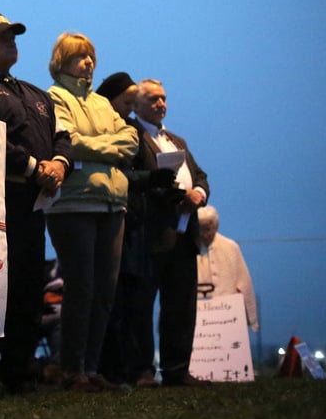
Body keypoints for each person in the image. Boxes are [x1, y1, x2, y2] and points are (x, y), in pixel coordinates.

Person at [0, 12, 72, 395]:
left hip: (32, 207)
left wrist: (60, 164)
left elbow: (63, 136)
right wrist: (36, 167)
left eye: (13, 37)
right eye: (1, 36)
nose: (11, 42)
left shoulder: (36, 94)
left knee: (26, 293)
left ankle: (17, 376)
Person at [43, 33, 138, 392]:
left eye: (91, 56)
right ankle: (71, 369)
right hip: (73, 203)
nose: (88, 63)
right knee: (81, 288)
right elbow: (70, 142)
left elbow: (131, 140)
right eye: (80, 56)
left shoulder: (101, 103)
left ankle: (91, 367)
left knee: (104, 291)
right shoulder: (55, 97)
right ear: (61, 62)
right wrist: (111, 150)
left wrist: (100, 150)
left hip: (112, 203)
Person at [94, 71, 176, 388]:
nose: (129, 109)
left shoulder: (129, 130)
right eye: (127, 102)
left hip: (136, 222)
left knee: (134, 301)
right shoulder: (115, 130)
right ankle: (110, 368)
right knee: (113, 298)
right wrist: (150, 181)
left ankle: (130, 368)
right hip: (116, 218)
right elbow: (120, 173)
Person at [130, 78, 211, 387]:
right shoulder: (133, 137)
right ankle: (143, 371)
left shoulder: (177, 140)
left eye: (163, 98)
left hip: (183, 235)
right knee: (142, 306)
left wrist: (200, 194)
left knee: (180, 306)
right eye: (152, 99)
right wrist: (180, 199)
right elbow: (141, 183)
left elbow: (200, 175)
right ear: (137, 106)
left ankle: (177, 370)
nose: (161, 104)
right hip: (151, 235)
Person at [197, 206, 258, 332]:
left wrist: (251, 318)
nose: (204, 234)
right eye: (200, 230)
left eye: (207, 229)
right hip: (198, 313)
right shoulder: (188, 248)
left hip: (227, 312)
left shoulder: (231, 247)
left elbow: (245, 283)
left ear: (216, 227)